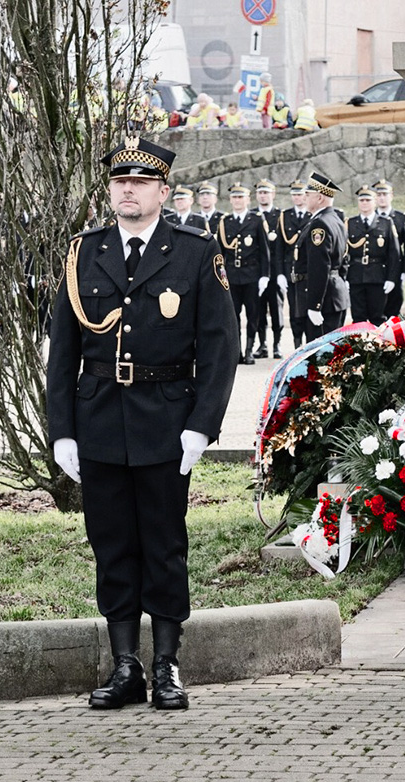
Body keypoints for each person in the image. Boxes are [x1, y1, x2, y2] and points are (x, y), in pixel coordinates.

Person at [46, 136, 237, 710]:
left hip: (165, 420)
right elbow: (63, 351)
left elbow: (220, 346)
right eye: (119, 181)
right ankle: (126, 665)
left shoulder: (195, 252)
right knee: (111, 545)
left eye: (140, 182)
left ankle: (167, 664)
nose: (127, 190)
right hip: (100, 418)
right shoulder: (85, 252)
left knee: (164, 544)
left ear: (163, 191)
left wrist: (202, 424)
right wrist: (62, 430)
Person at [217, 183, 271, 365]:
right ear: (230, 200)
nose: (237, 200)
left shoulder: (256, 220)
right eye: (234, 197)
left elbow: (264, 250)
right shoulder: (225, 222)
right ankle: (237, 351)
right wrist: (219, 277)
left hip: (252, 275)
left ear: (248, 199)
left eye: (241, 197)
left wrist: (265, 275)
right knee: (233, 316)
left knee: (253, 315)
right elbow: (220, 253)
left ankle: (249, 350)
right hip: (231, 275)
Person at [293, 171, 349, 337]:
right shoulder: (335, 220)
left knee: (320, 350)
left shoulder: (320, 224)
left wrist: (315, 305)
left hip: (324, 302)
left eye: (307, 194)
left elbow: (319, 266)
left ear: (319, 198)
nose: (304, 198)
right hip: (333, 295)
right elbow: (344, 259)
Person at [345, 186, 401, 326]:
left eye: (368, 200)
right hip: (356, 276)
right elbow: (344, 252)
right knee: (358, 319)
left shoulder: (386, 223)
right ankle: (360, 341)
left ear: (375, 201)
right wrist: (345, 276)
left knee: (378, 318)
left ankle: (377, 341)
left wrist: (391, 278)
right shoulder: (350, 223)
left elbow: (394, 254)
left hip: (378, 277)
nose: (364, 203)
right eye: (361, 200)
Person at [251, 180, 284, 359]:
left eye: (266, 192)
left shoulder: (280, 216)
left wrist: (281, 273)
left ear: (273, 194)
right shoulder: (252, 215)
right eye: (260, 192)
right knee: (258, 310)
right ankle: (262, 344)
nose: (263, 196)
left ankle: (277, 344)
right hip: (257, 271)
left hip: (275, 271)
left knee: (276, 309)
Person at [374, 179, 405, 319]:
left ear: (391, 196)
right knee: (375, 311)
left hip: (395, 269)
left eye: (385, 194)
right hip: (374, 271)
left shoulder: (400, 218)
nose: (382, 198)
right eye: (379, 195)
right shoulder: (370, 217)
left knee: (393, 311)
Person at [279, 181, 311, 347]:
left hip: (308, 271)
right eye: (294, 195)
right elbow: (279, 248)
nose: (297, 198)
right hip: (291, 271)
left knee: (310, 311)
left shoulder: (313, 215)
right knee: (295, 311)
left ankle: (310, 347)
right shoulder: (285, 216)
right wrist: (280, 273)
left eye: (300, 194)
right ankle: (297, 346)